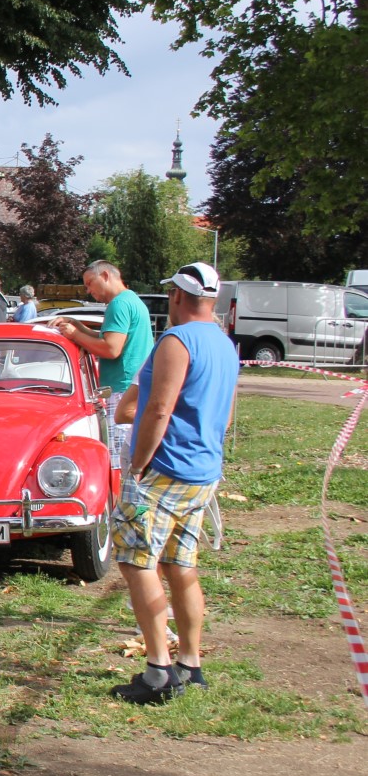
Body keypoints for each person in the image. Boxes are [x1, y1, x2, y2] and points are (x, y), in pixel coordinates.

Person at [108, 263, 237, 704]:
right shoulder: (224, 344)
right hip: (202, 471)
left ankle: (158, 668)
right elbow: (228, 416)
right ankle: (191, 664)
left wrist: (139, 463)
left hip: (164, 470)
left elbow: (158, 410)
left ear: (178, 297)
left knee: (137, 562)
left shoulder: (176, 341)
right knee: (181, 566)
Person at [52, 260, 155, 470]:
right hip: (131, 388)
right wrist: (78, 326)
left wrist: (75, 335)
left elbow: (111, 348)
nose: (89, 290)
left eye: (90, 283)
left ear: (106, 275)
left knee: (118, 462)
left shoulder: (119, 304)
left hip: (121, 390)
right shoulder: (131, 300)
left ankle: (119, 498)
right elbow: (106, 339)